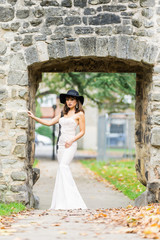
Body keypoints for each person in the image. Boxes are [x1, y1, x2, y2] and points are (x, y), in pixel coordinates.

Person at [27, 89, 87, 210]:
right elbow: (49, 123)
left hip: (70, 145)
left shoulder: (80, 114)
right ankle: (61, 202)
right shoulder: (62, 113)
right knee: (61, 170)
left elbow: (82, 131)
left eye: (72, 100)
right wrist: (34, 117)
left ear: (77, 101)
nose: (69, 102)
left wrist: (72, 140)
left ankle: (73, 200)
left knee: (63, 167)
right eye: (68, 100)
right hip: (60, 146)